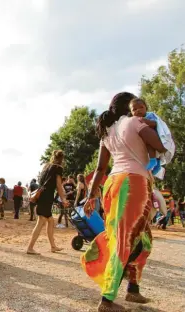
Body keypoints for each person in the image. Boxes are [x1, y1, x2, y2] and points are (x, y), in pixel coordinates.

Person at [82, 92, 167, 312]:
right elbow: (161, 145)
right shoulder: (136, 122)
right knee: (126, 239)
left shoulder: (107, 132)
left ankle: (133, 288)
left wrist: (91, 196)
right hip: (134, 184)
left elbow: (100, 169)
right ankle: (107, 299)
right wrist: (157, 125)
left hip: (113, 184)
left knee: (144, 237)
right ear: (127, 107)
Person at [26, 150, 70, 255]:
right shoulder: (58, 168)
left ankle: (53, 246)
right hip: (47, 197)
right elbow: (59, 185)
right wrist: (63, 199)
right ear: (62, 159)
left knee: (50, 221)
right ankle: (30, 247)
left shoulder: (46, 166)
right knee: (41, 221)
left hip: (42, 196)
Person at [129, 97, 175, 176]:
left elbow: (156, 123)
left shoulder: (149, 115)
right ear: (131, 112)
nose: (138, 110)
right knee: (147, 146)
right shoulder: (134, 120)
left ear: (146, 108)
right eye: (134, 109)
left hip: (156, 136)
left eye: (141, 107)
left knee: (149, 144)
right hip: (147, 141)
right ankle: (157, 165)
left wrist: (147, 122)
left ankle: (153, 160)